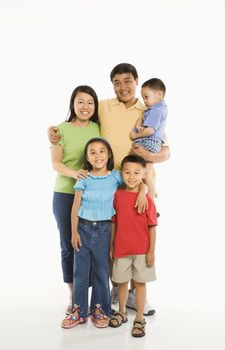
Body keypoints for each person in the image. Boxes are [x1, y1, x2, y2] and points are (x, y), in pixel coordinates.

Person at [48, 63, 170, 316]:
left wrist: (148, 157)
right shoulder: (103, 106)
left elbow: (167, 151)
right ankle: (107, 293)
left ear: (137, 81)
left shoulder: (148, 110)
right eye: (117, 82)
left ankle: (136, 294)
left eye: (128, 81)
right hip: (108, 186)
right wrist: (53, 132)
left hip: (139, 186)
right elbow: (81, 113)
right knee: (112, 240)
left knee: (136, 239)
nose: (123, 87)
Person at [60, 138, 148, 329]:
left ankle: (100, 309)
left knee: (102, 270)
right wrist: (74, 232)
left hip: (105, 229)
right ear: (87, 157)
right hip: (83, 228)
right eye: (92, 152)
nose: (98, 155)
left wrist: (144, 191)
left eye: (102, 151)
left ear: (108, 154)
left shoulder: (116, 176)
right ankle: (79, 311)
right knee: (80, 271)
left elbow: (138, 181)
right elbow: (75, 207)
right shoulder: (83, 178)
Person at [51, 85, 100, 317]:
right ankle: (73, 295)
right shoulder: (60, 130)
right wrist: (75, 174)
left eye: (90, 102)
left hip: (93, 197)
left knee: (91, 246)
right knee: (69, 245)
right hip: (65, 194)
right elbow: (56, 164)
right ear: (72, 103)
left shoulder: (99, 128)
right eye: (80, 102)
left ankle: (91, 297)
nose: (85, 107)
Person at [109, 155, 157, 338]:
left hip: (142, 250)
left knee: (139, 283)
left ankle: (139, 318)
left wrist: (151, 251)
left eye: (136, 173)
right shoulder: (117, 196)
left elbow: (152, 226)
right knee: (121, 283)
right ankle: (121, 312)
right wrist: (112, 245)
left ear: (144, 174)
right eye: (127, 172)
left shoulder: (148, 200)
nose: (131, 176)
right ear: (121, 174)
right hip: (121, 248)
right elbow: (113, 222)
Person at [130, 78, 168, 199]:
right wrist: (138, 123)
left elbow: (150, 130)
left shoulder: (156, 111)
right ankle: (149, 198)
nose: (144, 101)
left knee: (142, 171)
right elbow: (143, 116)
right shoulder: (154, 110)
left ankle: (150, 200)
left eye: (146, 97)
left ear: (159, 95)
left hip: (149, 142)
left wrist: (136, 135)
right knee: (145, 173)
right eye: (143, 98)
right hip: (152, 142)